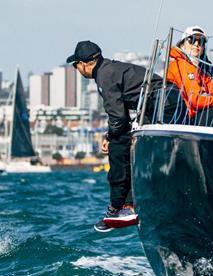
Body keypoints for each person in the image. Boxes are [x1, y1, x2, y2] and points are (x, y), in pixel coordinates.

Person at [67, 40, 180, 232]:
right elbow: (122, 118)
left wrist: (109, 138)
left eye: (75, 65)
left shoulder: (104, 76)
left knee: (118, 147)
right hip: (167, 102)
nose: (77, 69)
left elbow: (118, 118)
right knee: (125, 143)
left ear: (84, 64)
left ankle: (118, 207)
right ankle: (128, 205)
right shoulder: (110, 69)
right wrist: (110, 134)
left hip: (163, 104)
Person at [166, 26, 213, 121]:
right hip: (186, 119)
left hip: (196, 114)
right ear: (182, 44)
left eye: (201, 42)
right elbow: (196, 100)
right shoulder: (183, 65)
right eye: (192, 40)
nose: (196, 44)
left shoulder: (197, 69)